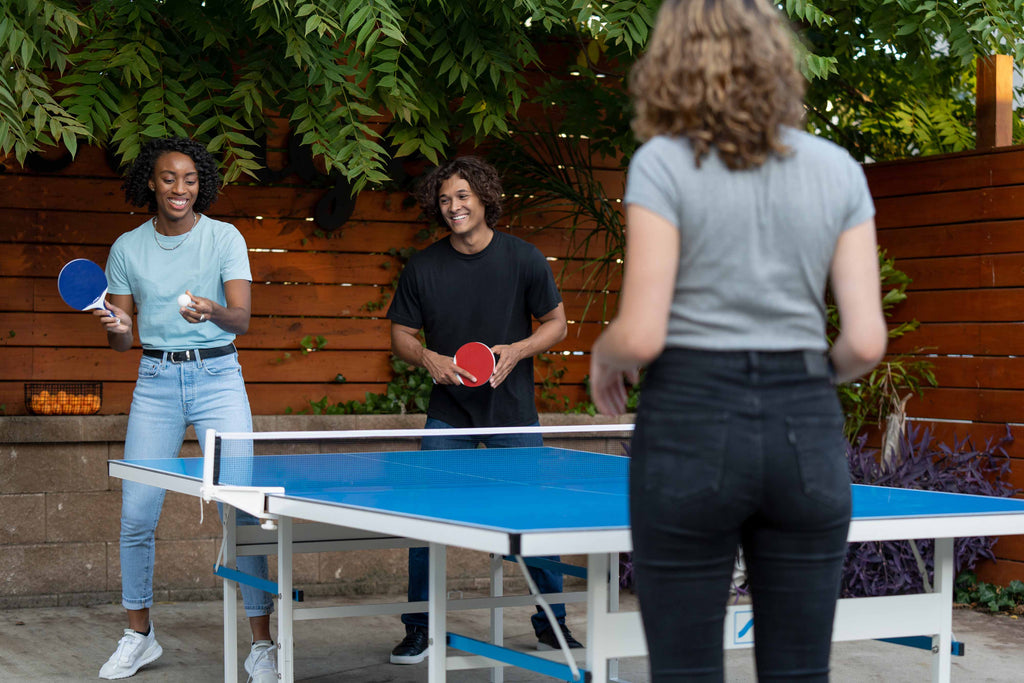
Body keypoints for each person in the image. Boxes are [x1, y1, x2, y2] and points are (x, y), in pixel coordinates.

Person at [589, 1, 888, 681]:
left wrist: (604, 356)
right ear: (777, 57)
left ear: (672, 60)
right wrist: (808, 380)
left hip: (691, 425)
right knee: (799, 671)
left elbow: (641, 333)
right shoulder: (839, 169)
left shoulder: (663, 164)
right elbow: (866, 343)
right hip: (804, 432)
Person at [385, 155, 580, 663]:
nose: (454, 207)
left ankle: (552, 623)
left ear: (484, 198)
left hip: (512, 413)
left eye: (463, 196)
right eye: (445, 199)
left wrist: (517, 350)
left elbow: (557, 324)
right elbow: (401, 335)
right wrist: (427, 356)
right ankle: (420, 627)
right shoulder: (423, 267)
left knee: (533, 517)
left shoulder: (524, 259)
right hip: (447, 413)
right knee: (425, 521)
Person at [96, 137, 277, 682]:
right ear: (150, 183)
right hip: (154, 379)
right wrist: (121, 329)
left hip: (219, 375)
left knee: (240, 510)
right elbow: (123, 341)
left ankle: (262, 644)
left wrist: (212, 311)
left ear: (203, 184)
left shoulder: (225, 237)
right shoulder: (127, 247)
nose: (180, 188)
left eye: (190, 179)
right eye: (169, 178)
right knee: (136, 513)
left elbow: (242, 320)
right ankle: (139, 635)